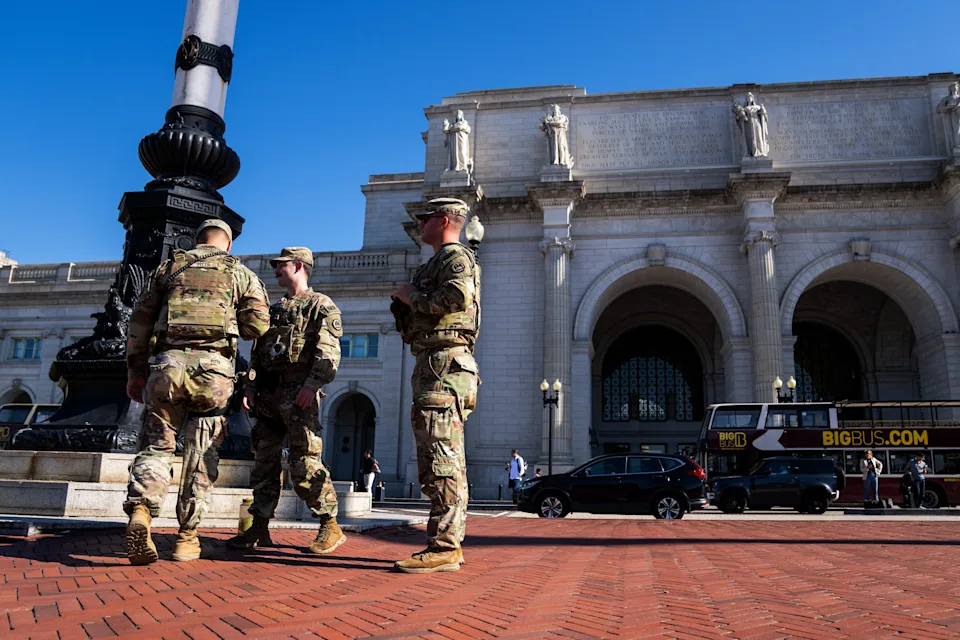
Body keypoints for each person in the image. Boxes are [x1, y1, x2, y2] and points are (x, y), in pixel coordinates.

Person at [123, 219, 270, 565]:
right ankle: (187, 538)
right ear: (228, 244)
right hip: (213, 374)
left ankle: (142, 510)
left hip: (166, 368)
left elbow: (139, 323)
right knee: (201, 458)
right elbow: (257, 326)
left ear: (196, 240)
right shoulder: (240, 273)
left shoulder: (167, 269)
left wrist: (134, 373)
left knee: (157, 447)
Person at [225, 247, 346, 555]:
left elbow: (329, 351)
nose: (275, 269)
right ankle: (260, 527)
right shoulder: (274, 308)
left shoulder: (321, 305)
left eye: (280, 265)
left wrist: (313, 384)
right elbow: (257, 353)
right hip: (267, 396)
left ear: (298, 265)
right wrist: (250, 388)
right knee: (264, 463)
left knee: (305, 462)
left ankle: (330, 525)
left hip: (300, 396)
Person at [390, 197, 481, 574]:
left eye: (425, 218)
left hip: (445, 365)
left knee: (442, 459)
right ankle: (446, 544)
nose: (420, 224)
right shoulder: (434, 262)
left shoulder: (455, 258)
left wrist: (412, 296)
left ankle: (444, 547)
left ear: (444, 220)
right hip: (432, 364)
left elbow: (457, 296)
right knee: (434, 458)